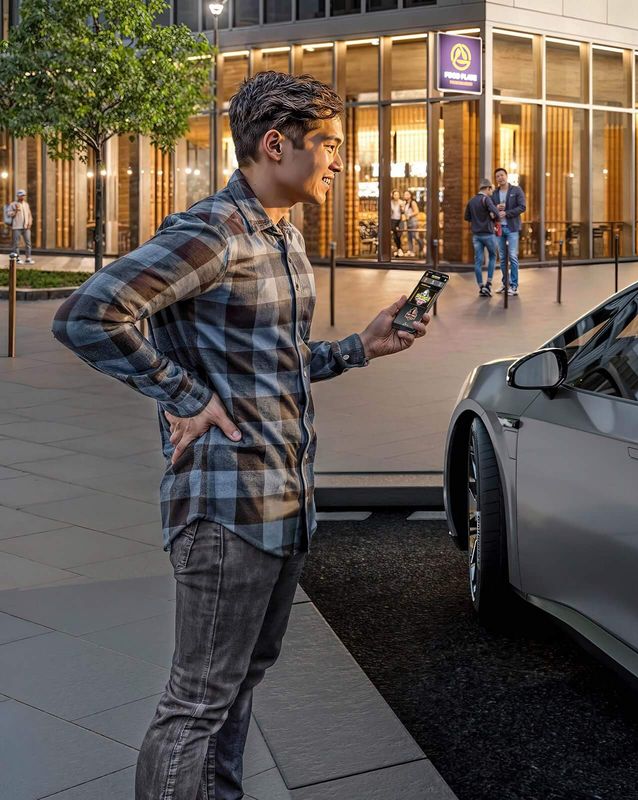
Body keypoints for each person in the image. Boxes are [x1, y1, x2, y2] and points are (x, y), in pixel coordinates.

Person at [50, 71, 433, 800]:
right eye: (329, 144)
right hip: (227, 510)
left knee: (237, 687)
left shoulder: (282, 236)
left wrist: (359, 346)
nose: (339, 160)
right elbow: (85, 316)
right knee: (197, 701)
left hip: (284, 503)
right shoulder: (212, 231)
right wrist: (184, 396)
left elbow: (274, 366)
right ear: (276, 143)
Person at [493, 168, 525, 296]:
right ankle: (505, 283)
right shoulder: (495, 193)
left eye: (502, 175)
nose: (500, 178)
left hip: (512, 228)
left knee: (512, 256)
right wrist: (496, 208)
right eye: (497, 176)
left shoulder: (516, 190)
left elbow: (522, 207)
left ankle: (514, 285)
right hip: (499, 229)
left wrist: (507, 213)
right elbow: (490, 208)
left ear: (506, 176)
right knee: (502, 258)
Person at [465, 180, 500, 297]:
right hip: (488, 234)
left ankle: (481, 287)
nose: (492, 192)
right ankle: (488, 284)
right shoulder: (486, 199)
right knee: (493, 256)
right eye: (492, 190)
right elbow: (497, 213)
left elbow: (467, 217)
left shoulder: (471, 201)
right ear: (488, 188)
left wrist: (477, 221)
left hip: (476, 235)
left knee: (478, 261)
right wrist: (491, 216)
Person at [8, 189, 33, 264]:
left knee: (28, 243)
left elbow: (29, 215)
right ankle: (17, 258)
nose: (22, 197)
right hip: (16, 227)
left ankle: (28, 258)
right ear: (17, 196)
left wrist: (29, 223)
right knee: (16, 244)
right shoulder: (13, 204)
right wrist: (15, 211)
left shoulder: (26, 204)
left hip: (26, 227)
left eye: (23, 195)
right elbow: (9, 214)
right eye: (21, 195)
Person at [401, 189, 421, 257]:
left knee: (414, 236)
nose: (405, 196)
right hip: (408, 222)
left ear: (410, 195)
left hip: (413, 221)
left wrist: (409, 215)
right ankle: (410, 251)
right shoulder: (405, 203)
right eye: (405, 194)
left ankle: (422, 247)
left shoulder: (413, 202)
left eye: (407, 194)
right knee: (409, 237)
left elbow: (416, 211)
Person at [389, 189, 404, 256]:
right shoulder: (390, 202)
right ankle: (399, 249)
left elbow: (403, 212)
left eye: (397, 194)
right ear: (392, 195)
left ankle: (399, 249)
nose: (396, 196)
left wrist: (402, 208)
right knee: (395, 236)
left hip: (399, 220)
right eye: (395, 195)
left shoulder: (401, 202)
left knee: (398, 235)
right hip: (392, 220)